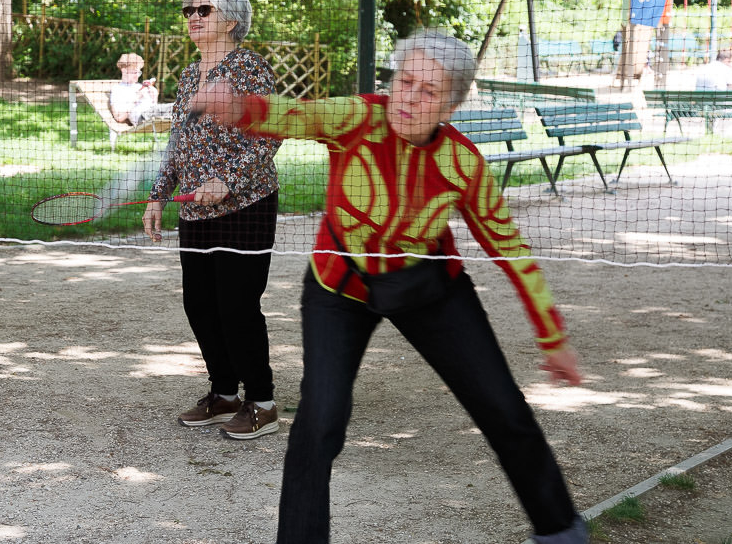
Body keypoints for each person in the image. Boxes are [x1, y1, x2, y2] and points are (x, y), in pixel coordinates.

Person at [191, 30, 588, 543]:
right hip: (339, 290)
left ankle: (561, 532)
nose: (410, 97)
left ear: (452, 104)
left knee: (504, 408)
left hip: (432, 288)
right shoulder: (357, 118)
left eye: (429, 91)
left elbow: (510, 251)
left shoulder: (464, 165)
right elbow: (297, 114)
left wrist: (553, 338)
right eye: (405, 81)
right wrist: (241, 106)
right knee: (320, 421)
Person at [143, 0, 282, 440]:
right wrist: (159, 193)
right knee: (199, 304)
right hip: (195, 213)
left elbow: (271, 134)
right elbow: (178, 142)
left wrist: (228, 181)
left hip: (247, 205)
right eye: (188, 11)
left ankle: (262, 401)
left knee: (238, 305)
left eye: (203, 9)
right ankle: (224, 393)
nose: (193, 18)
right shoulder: (187, 76)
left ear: (232, 19)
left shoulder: (250, 68)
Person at [109, 52, 172, 125]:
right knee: (178, 108)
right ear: (124, 70)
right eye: (134, 72)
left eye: (138, 72)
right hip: (142, 117)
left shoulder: (140, 86)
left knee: (180, 108)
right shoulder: (118, 90)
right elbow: (119, 118)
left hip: (153, 113)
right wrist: (136, 99)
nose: (137, 75)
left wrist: (154, 95)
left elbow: (154, 106)